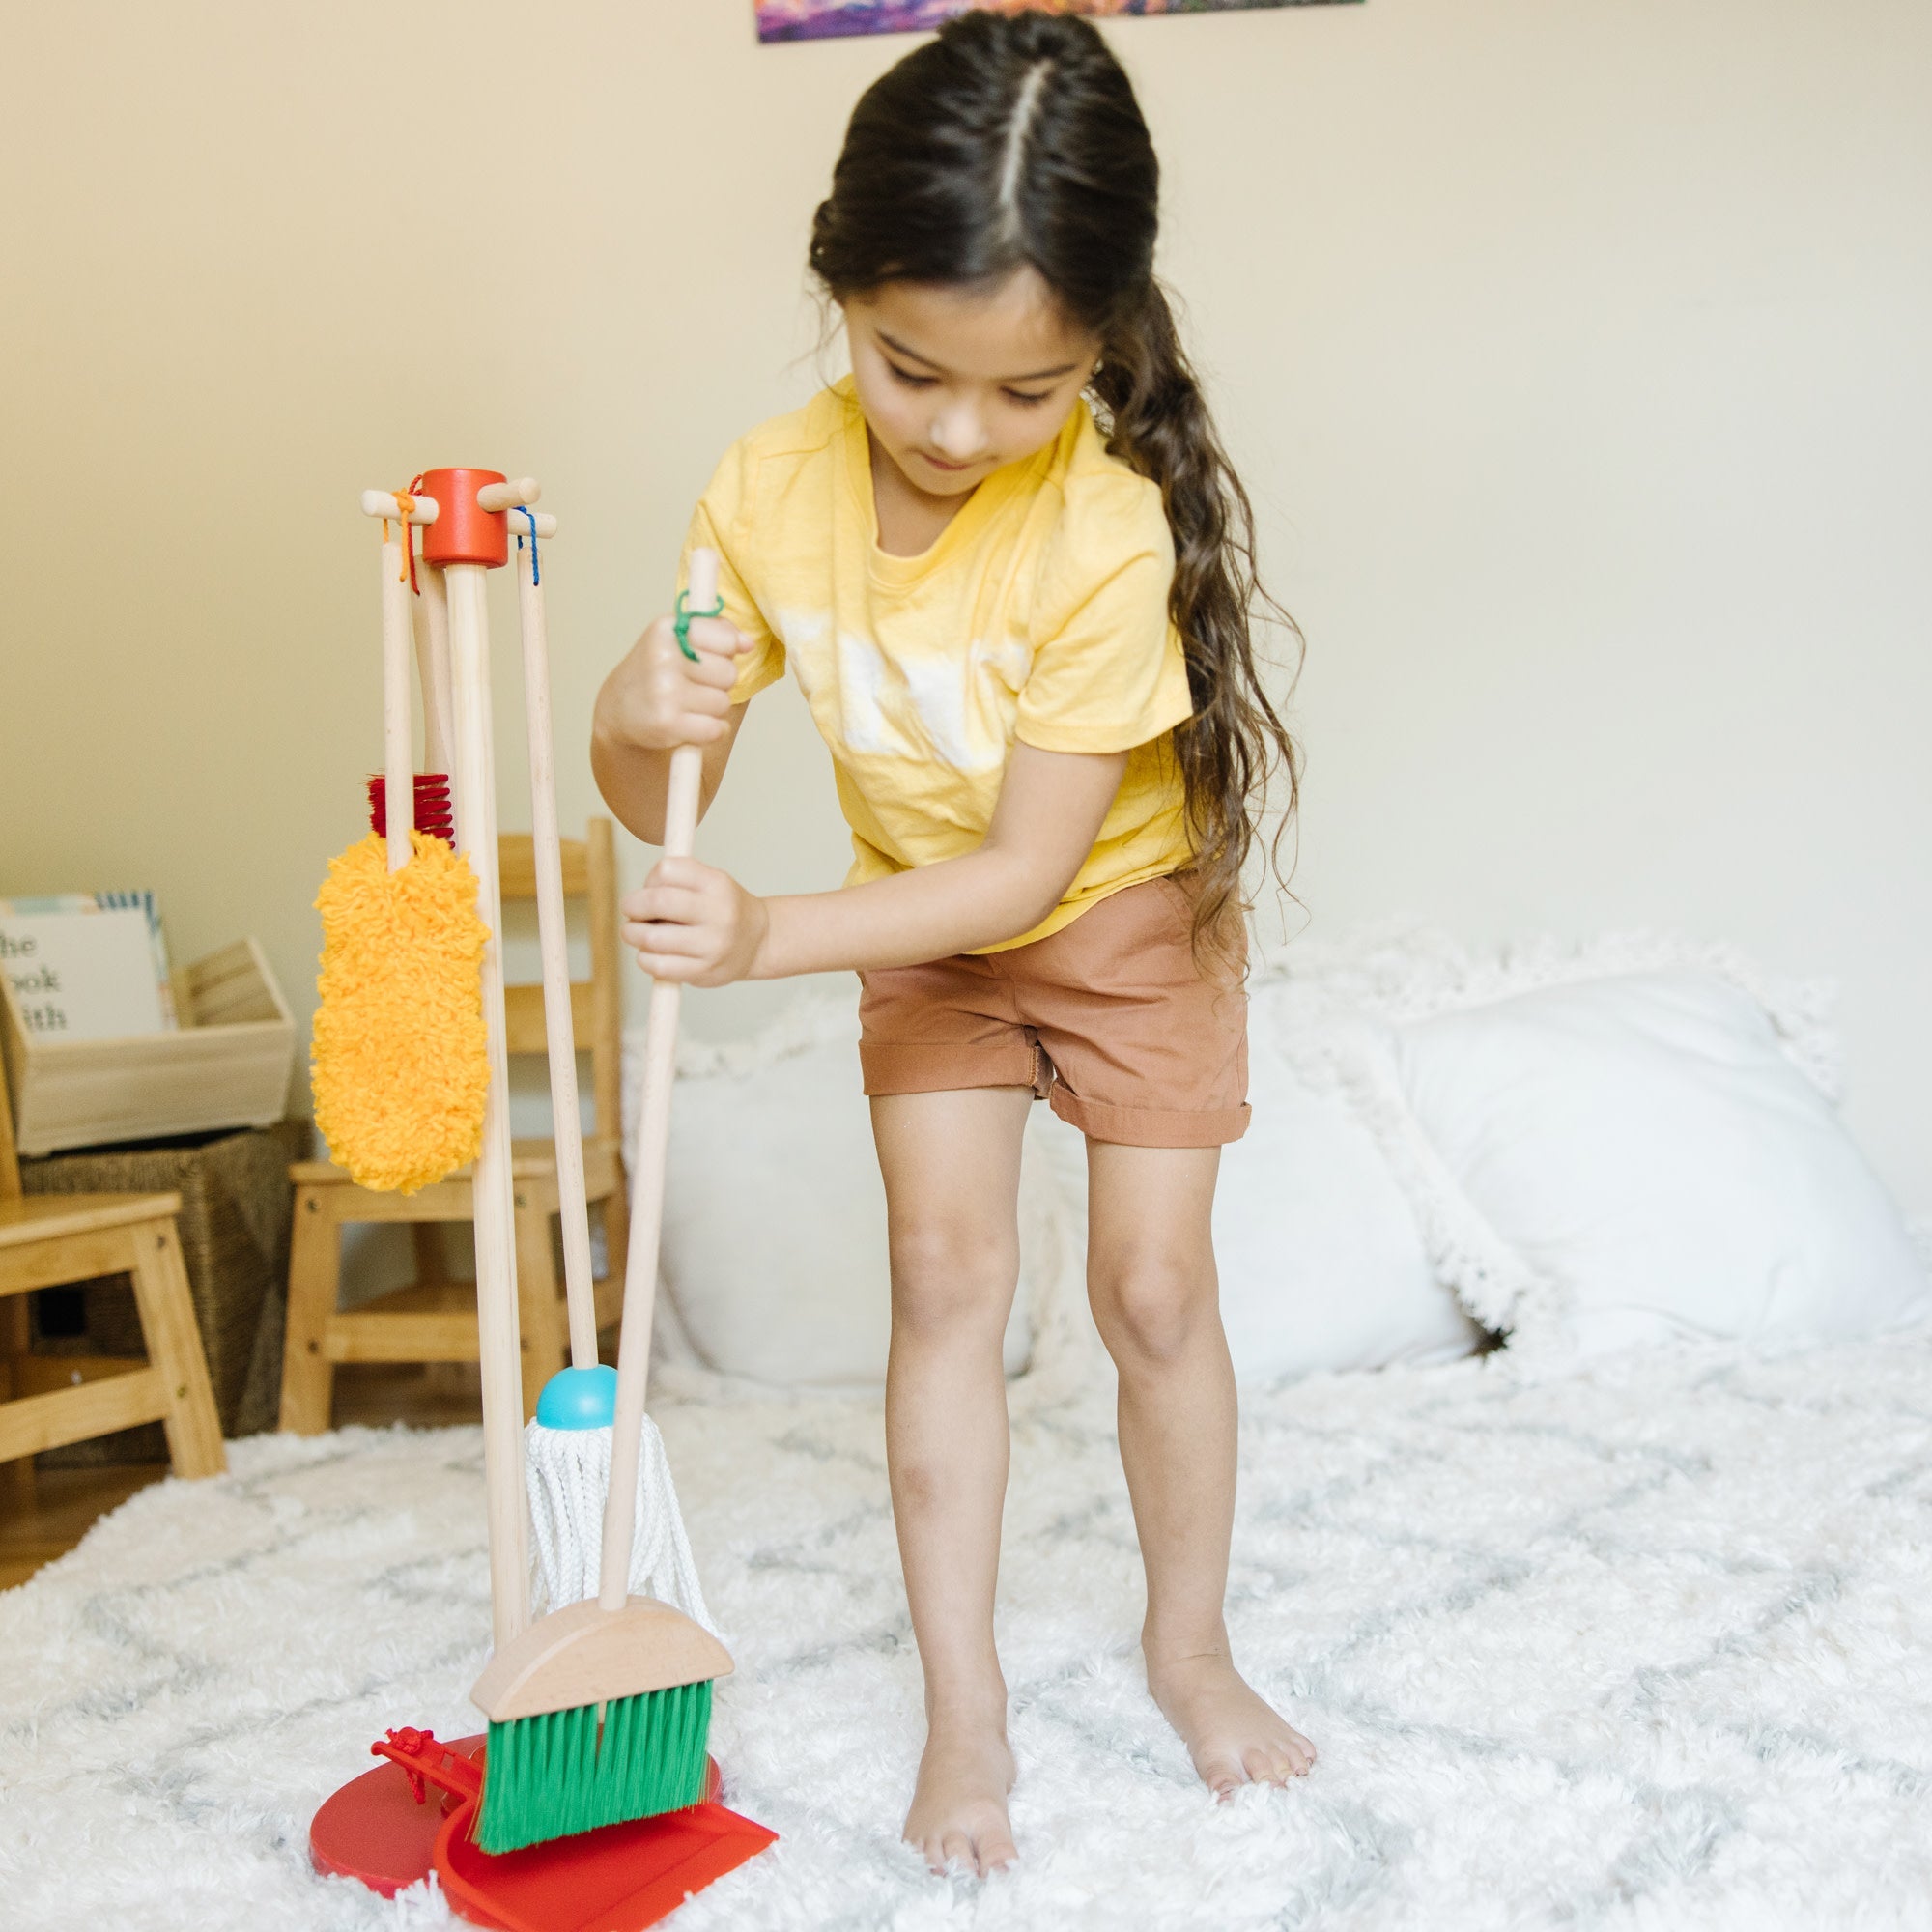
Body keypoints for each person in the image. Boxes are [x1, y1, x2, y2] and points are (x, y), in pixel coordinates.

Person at [592, 9, 1309, 1879]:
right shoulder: (765, 490)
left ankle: (1189, 1649)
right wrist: (632, 706)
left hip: (1117, 914)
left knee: (1154, 1293)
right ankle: (964, 1707)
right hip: (923, 925)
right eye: (912, 369)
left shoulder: (1102, 537)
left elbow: (1024, 876)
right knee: (941, 1275)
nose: (957, 430)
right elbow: (658, 783)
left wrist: (768, 935)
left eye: (1027, 391)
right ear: (841, 284)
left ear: (1100, 350)